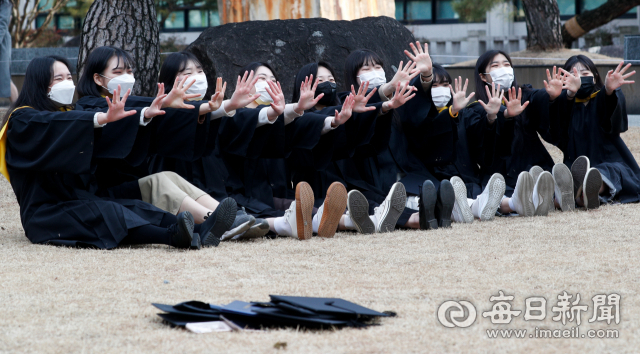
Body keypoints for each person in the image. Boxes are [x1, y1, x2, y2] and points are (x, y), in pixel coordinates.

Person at [0, 56, 200, 249]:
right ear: (39, 83)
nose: (67, 82)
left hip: (79, 199)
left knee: (132, 206)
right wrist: (100, 119)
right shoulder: (23, 119)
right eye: (58, 78)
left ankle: (198, 229)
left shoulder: (66, 114)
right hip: (47, 214)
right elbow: (57, 125)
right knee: (107, 212)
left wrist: (147, 112)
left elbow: (86, 124)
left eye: (69, 77)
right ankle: (172, 236)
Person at [75, 46, 241, 246]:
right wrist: (163, 105)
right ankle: (215, 220)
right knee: (158, 182)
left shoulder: (132, 104)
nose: (127, 77)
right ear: (98, 79)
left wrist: (220, 107)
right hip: (102, 192)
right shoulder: (89, 107)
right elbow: (136, 108)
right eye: (118, 73)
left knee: (168, 177)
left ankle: (233, 217)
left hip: (128, 185)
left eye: (129, 71)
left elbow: (155, 114)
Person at [472, 50, 556, 218]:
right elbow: (482, 146)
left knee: (541, 179)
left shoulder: (524, 95)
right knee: (497, 195)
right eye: (495, 65)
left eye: (507, 64)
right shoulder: (478, 107)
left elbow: (539, 99)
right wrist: (495, 116)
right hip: (502, 171)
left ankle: (557, 198)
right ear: (483, 76)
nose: (503, 69)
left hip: (534, 162)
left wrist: (552, 97)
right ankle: (522, 201)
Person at [552, 56, 637, 209]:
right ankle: (581, 194)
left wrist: (610, 90)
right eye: (573, 74)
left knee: (607, 173)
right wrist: (570, 95)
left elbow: (613, 117)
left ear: (595, 76)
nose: (579, 78)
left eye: (585, 74)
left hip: (611, 162)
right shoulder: (565, 105)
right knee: (568, 179)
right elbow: (557, 128)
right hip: (576, 165)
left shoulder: (601, 99)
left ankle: (587, 190)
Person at [0, 0, 17, 104]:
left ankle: (19, 108)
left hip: (1, 44)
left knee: (4, 77)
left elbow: (2, 24)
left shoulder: (5, 2)